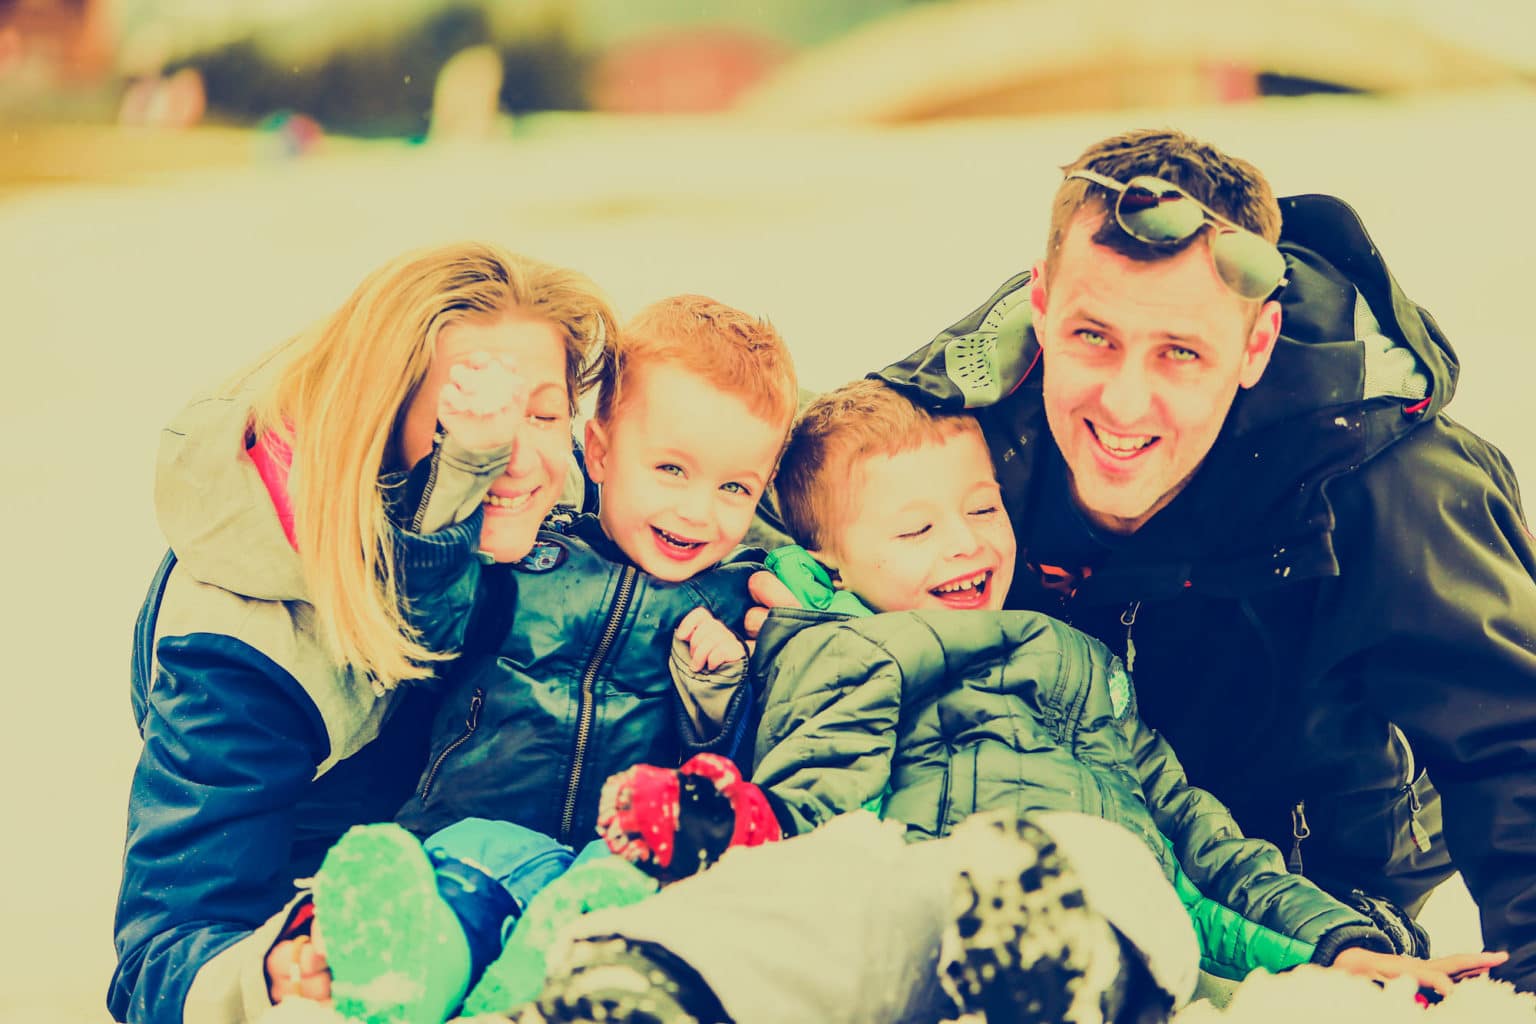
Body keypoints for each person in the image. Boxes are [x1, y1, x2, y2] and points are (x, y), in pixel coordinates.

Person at [524, 379, 1501, 1024]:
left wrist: (1344, 941)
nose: (965, 542)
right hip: (910, 882)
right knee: (826, 897)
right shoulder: (821, 645)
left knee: (1099, 865)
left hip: (1100, 888)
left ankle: (1044, 963)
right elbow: (806, 799)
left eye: (983, 508)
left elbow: (1203, 840)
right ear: (829, 561)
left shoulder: (1069, 656)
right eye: (917, 528)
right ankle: (647, 980)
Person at [859, 128, 1536, 989]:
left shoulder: (1392, 482)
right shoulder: (953, 435)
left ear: (1256, 346)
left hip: (1321, 891)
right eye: (1093, 337)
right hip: (1042, 866)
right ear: (1040, 304)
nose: (1125, 401)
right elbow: (774, 515)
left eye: (1181, 353)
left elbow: (1516, 747)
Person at [109, 241, 618, 1024]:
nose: (518, 458)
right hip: (352, 932)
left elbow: (750, 446)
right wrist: (282, 968)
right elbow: (161, 953)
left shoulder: (556, 507)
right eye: (465, 421)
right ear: (380, 428)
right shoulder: (243, 648)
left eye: (543, 413)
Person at [292, 294, 800, 1024]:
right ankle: (406, 977)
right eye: (670, 469)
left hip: (612, 856)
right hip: (472, 828)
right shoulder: (524, 557)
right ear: (597, 449)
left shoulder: (730, 604)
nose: (698, 511)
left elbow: (726, 774)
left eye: (733, 488)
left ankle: (537, 979)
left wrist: (719, 692)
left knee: (614, 898)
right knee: (458, 897)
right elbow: (421, 618)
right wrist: (462, 470)